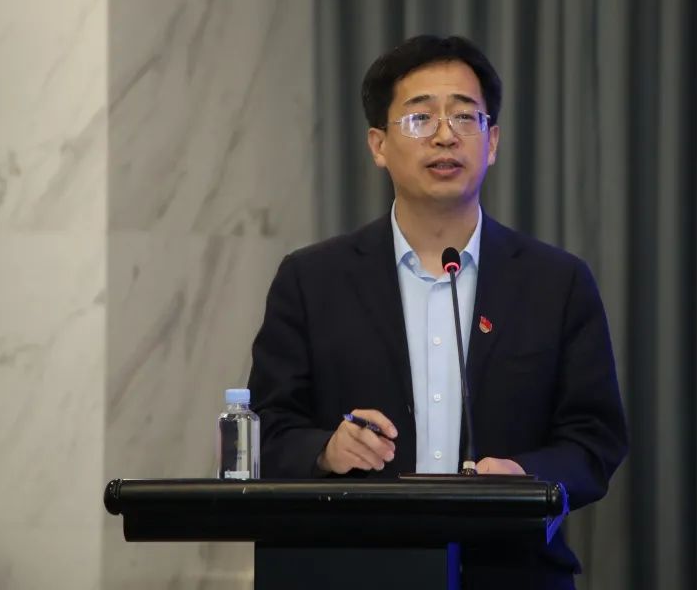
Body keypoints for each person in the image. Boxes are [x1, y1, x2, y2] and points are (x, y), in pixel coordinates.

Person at [247, 35, 627, 589]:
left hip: (511, 574)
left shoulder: (557, 282)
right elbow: (266, 430)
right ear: (378, 145)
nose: (445, 135)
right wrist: (326, 450)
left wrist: (526, 476)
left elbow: (595, 438)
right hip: (352, 571)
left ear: (492, 142)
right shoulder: (311, 280)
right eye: (420, 117)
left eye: (465, 117)